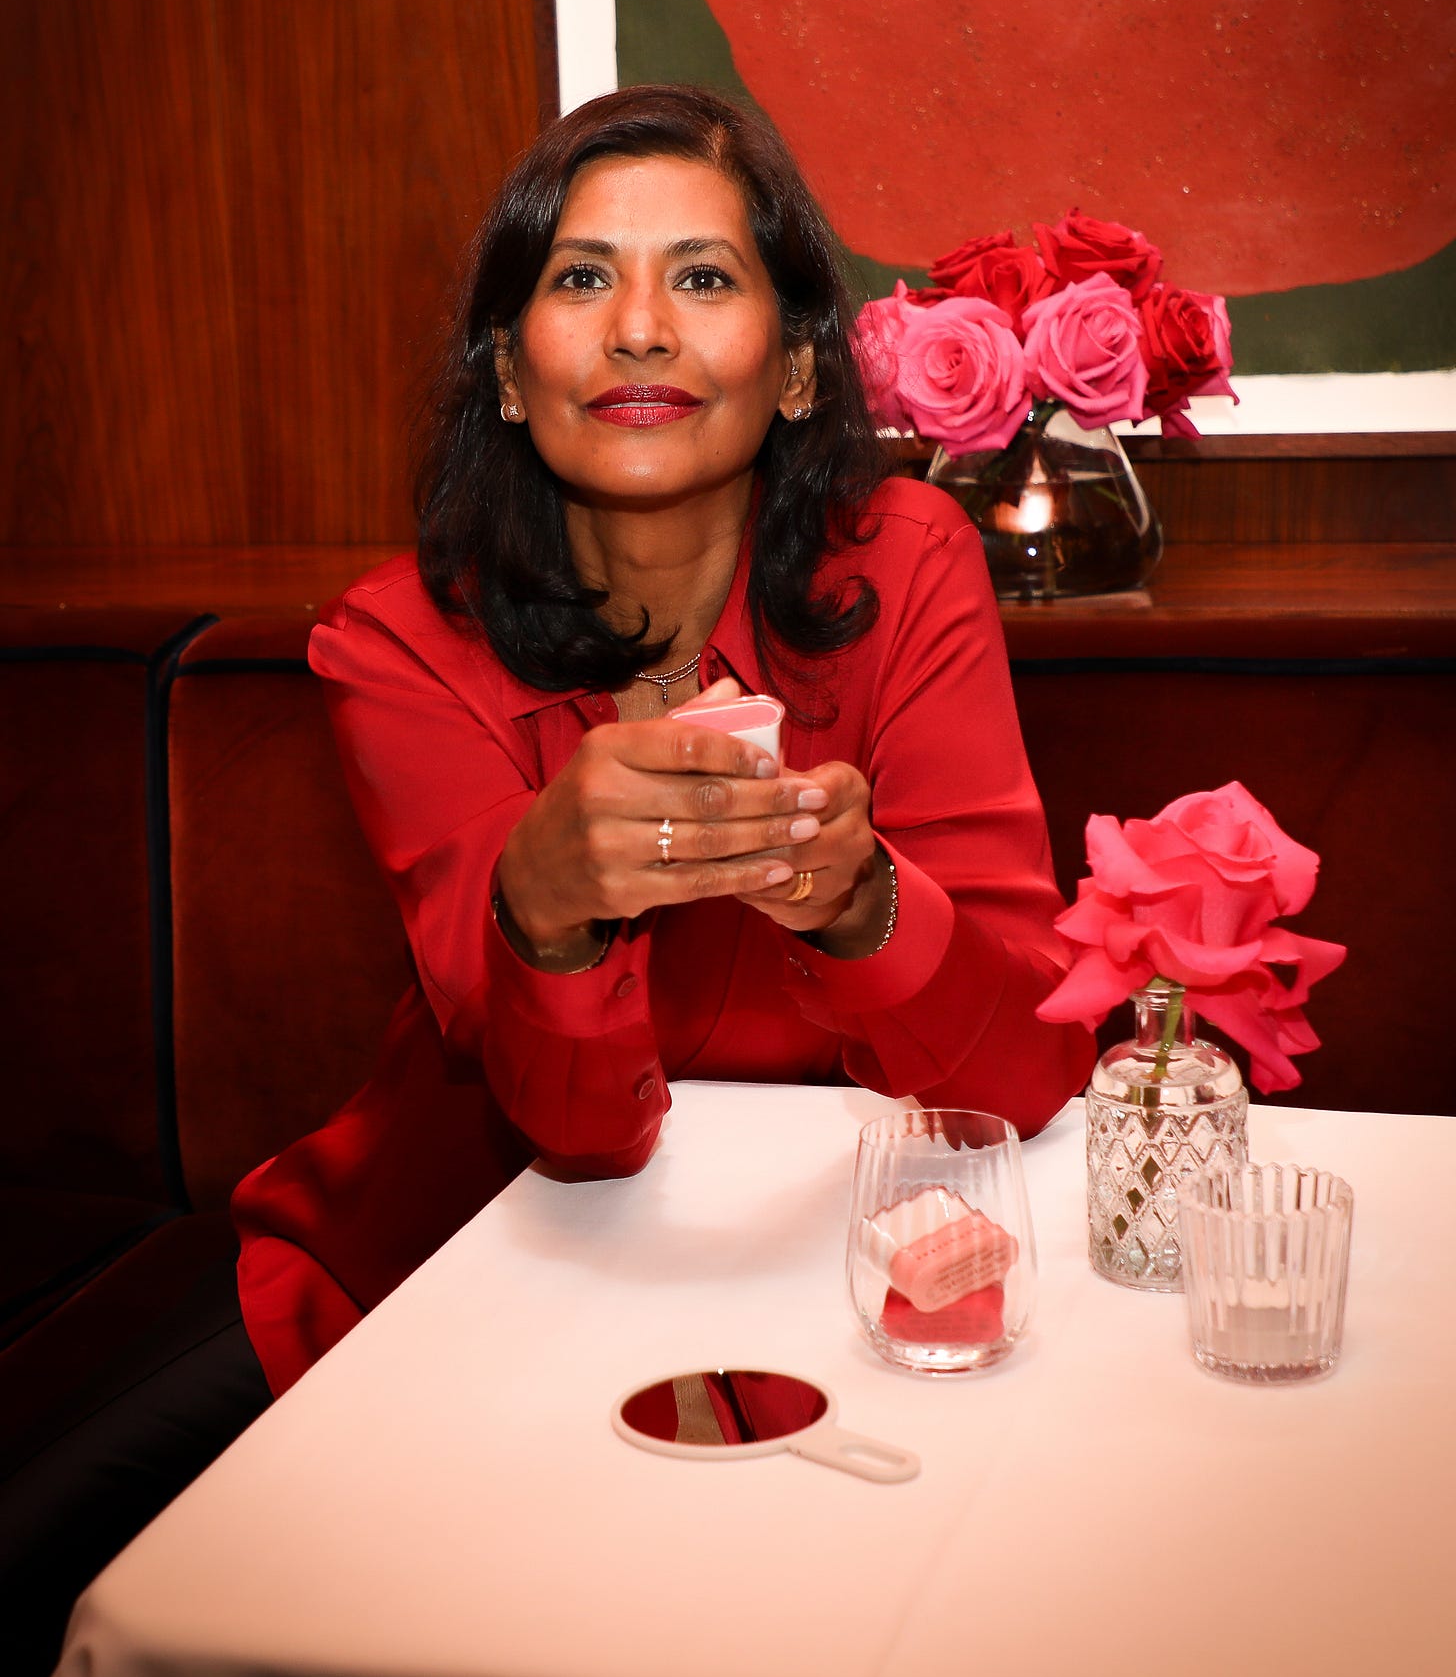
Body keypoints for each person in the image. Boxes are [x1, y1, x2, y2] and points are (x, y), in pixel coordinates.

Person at [232, 83, 1095, 1394]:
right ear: (510, 372)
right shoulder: (397, 643)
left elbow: (1025, 1074)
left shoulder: (909, 566)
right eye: (583, 278)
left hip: (816, 1288)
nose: (639, 331)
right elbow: (573, 1137)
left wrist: (860, 900)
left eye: (701, 277)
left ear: (797, 366)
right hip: (457, 1296)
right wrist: (547, 916)